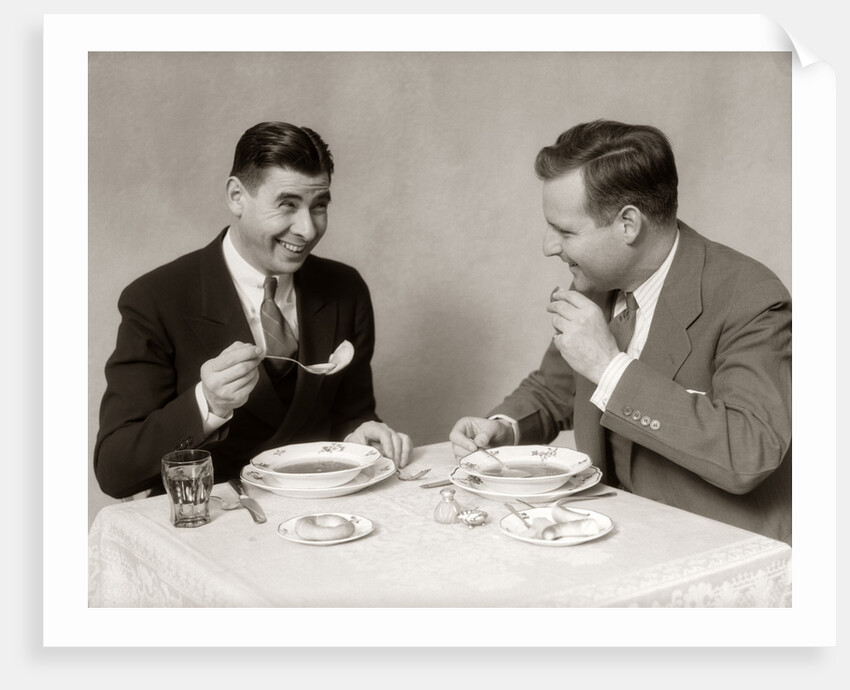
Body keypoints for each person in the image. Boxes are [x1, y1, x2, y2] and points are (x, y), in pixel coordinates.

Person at [450, 120, 792, 544]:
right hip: (607, 530)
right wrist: (503, 427)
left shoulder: (751, 296)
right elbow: (557, 388)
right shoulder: (596, 279)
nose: (548, 246)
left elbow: (750, 452)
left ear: (628, 224)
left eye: (565, 231)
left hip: (715, 542)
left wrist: (609, 366)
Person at [95, 121, 411, 499]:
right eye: (288, 205)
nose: (308, 229)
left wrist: (360, 433)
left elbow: (352, 413)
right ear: (236, 196)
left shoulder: (346, 289)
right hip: (210, 528)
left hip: (318, 513)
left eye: (319, 206)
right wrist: (207, 403)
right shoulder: (155, 298)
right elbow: (114, 470)